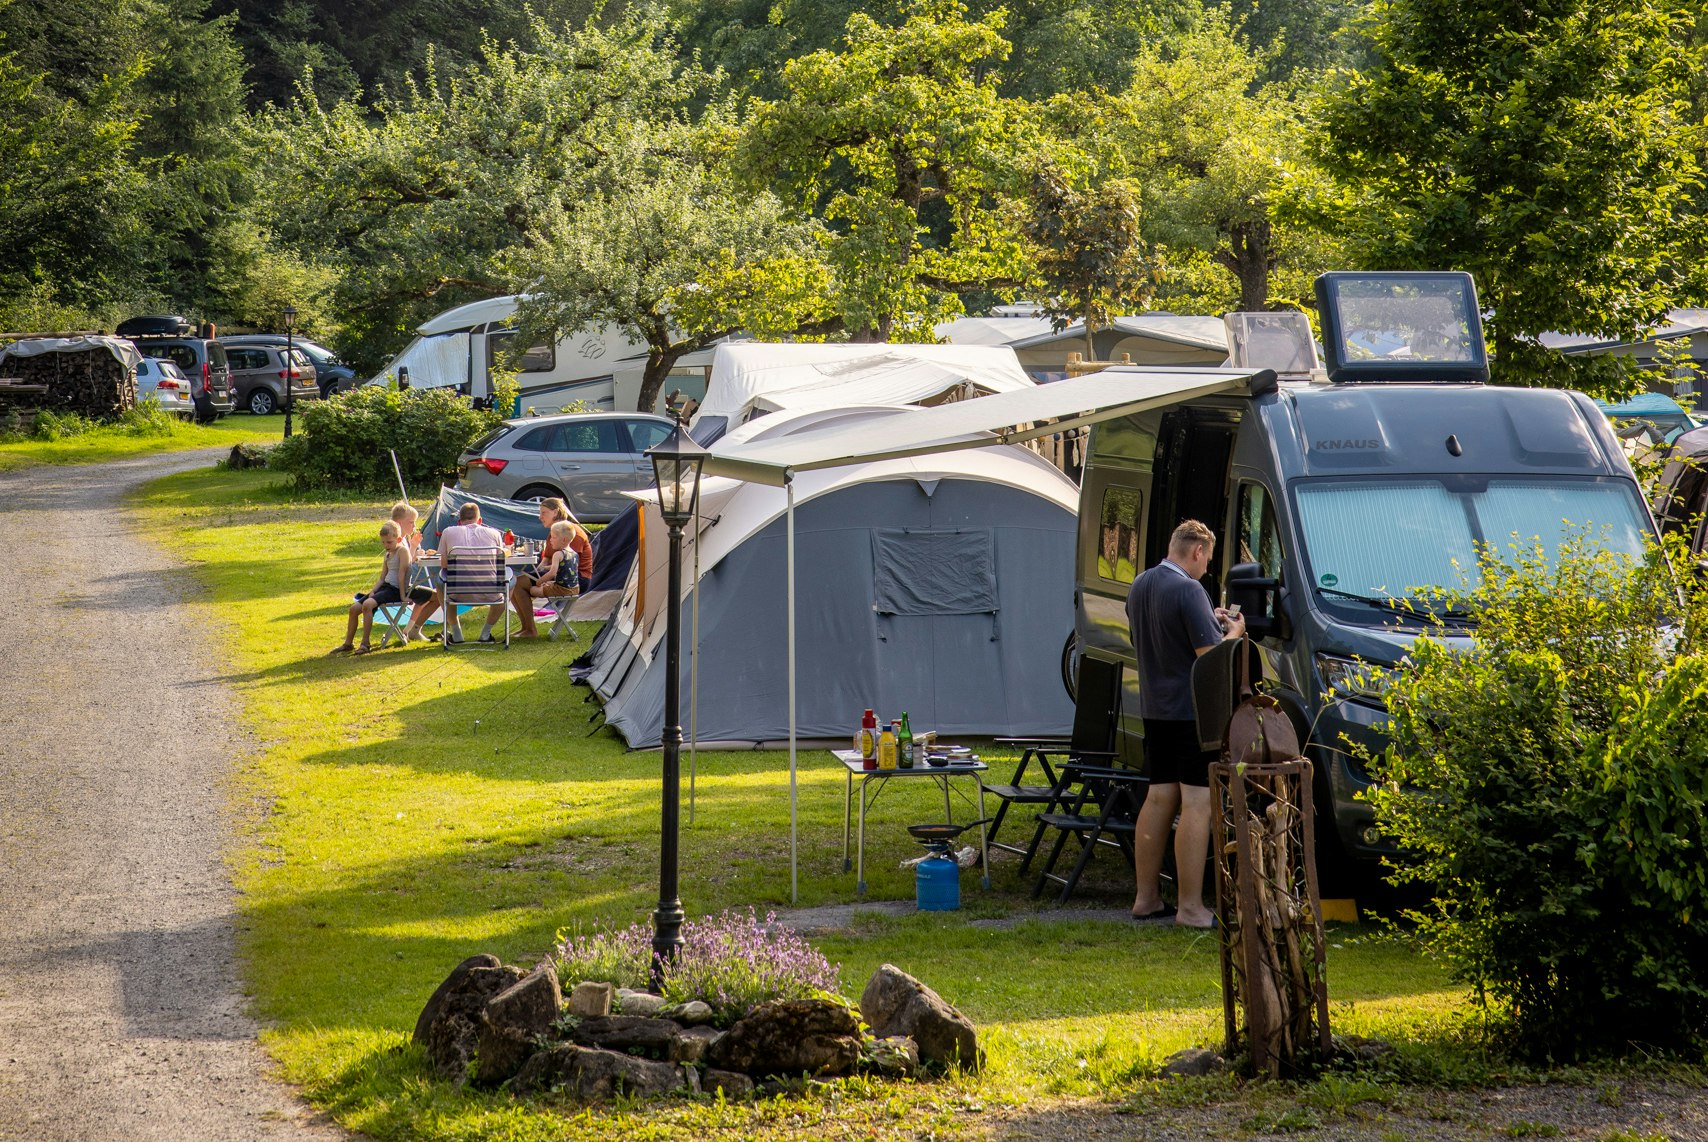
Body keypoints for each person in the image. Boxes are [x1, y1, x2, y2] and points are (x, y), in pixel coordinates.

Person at [1127, 519, 1245, 928]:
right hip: (1190, 714)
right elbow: (1209, 658)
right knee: (1196, 805)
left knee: (1158, 799)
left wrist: (1206, 620)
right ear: (1197, 551)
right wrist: (1234, 632)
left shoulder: (1141, 584)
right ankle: (1191, 907)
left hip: (1153, 708)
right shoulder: (1189, 588)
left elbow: (1162, 637)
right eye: (1207, 559)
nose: (1206, 568)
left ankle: (1146, 897)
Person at [406, 502, 506, 644]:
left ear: (459, 521)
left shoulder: (448, 532)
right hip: (491, 593)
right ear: (481, 521)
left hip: (457, 592)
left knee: (441, 582)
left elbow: (444, 564)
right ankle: (486, 633)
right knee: (511, 582)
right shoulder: (494, 533)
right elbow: (499, 562)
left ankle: (456, 632)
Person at [508, 498, 593, 638]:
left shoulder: (570, 532)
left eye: (543, 513)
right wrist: (535, 574)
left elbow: (569, 564)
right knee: (517, 582)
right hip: (562, 574)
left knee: (518, 584)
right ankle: (526, 628)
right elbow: (546, 559)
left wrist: (539, 579)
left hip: (576, 578)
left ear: (555, 512)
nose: (540, 517)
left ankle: (530, 630)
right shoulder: (554, 532)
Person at [332, 521, 412, 655]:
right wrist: (373, 590)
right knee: (353, 609)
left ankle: (365, 643)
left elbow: (402, 574)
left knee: (368, 605)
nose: (386, 546)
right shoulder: (387, 555)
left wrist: (403, 596)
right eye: (383, 543)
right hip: (385, 587)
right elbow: (382, 577)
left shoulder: (402, 551)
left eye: (389, 542)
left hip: (395, 590)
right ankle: (348, 643)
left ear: (398, 539)